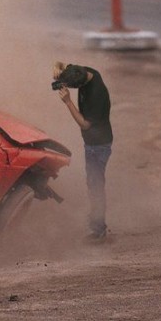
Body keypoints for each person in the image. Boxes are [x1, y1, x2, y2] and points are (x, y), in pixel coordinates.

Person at [53, 62, 113, 241]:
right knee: (93, 183)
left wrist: (68, 101)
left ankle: (98, 229)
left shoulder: (96, 95)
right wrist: (59, 72)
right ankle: (96, 221)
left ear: (80, 85)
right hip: (94, 144)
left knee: (95, 186)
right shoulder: (89, 72)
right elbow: (62, 65)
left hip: (98, 146)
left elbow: (85, 124)